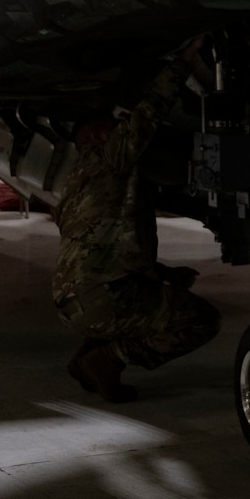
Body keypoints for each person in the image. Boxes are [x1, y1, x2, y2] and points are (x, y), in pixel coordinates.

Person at [52, 62, 218, 402]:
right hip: (106, 299)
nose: (122, 129)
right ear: (100, 136)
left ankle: (87, 358)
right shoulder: (112, 158)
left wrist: (164, 273)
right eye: (115, 126)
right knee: (203, 319)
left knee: (130, 306)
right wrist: (184, 61)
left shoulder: (74, 186)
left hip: (73, 306)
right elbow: (148, 114)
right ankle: (109, 359)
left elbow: (104, 249)